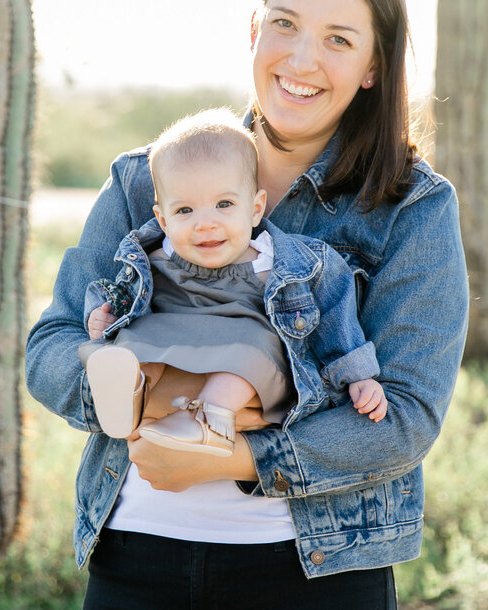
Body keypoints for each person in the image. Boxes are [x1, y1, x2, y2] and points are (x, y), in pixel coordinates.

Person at [26, 0, 468, 610]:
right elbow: (52, 343)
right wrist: (137, 400)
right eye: (286, 26)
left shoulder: (409, 209)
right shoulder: (147, 179)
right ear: (253, 30)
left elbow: (408, 415)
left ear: (371, 67)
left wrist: (235, 456)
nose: (301, 60)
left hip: (311, 586)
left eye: (337, 39)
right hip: (137, 565)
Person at [80, 107, 387, 460]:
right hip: (174, 341)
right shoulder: (152, 258)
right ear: (162, 220)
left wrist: (357, 376)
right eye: (185, 211)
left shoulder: (283, 264)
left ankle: (209, 419)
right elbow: (117, 294)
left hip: (245, 354)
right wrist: (101, 317)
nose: (205, 224)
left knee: (256, 351)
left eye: (224, 204)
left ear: (256, 209)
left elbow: (334, 312)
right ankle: (127, 393)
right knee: (133, 340)